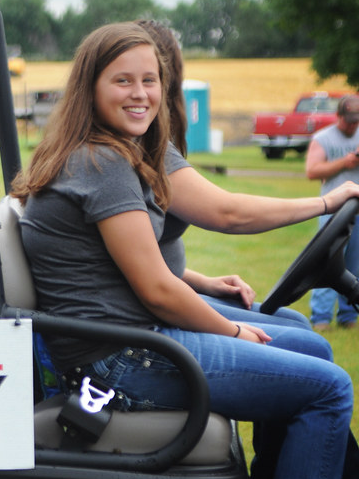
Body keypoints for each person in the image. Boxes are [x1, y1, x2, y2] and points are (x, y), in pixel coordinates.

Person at [12, 21, 355, 479]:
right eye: (123, 81)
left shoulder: (111, 152)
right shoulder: (101, 162)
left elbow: (117, 264)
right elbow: (155, 289)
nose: (142, 94)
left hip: (124, 341)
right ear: (91, 88)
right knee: (330, 388)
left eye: (150, 80)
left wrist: (203, 290)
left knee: (310, 349)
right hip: (122, 359)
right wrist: (234, 329)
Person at [136, 19, 359, 332]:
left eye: (148, 80)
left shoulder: (146, 147)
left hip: (158, 300)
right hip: (145, 323)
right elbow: (229, 213)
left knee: (295, 323)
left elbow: (140, 259)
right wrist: (325, 203)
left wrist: (204, 281)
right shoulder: (139, 151)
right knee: (319, 361)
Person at [306, 94, 359, 330]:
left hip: (358, 208)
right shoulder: (323, 138)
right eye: (349, 120)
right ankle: (321, 318)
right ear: (338, 116)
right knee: (328, 262)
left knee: (354, 265)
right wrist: (344, 163)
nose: (353, 125)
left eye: (356, 120)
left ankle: (349, 316)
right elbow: (312, 170)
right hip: (333, 209)